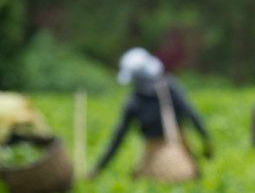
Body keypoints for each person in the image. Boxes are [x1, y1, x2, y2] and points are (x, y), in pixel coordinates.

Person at [90, 48, 213, 179]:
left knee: (141, 179)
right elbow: (191, 115)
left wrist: (98, 169)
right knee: (189, 175)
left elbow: (118, 138)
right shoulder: (169, 87)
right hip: (178, 146)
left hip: (154, 151)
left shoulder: (134, 101)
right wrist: (206, 142)